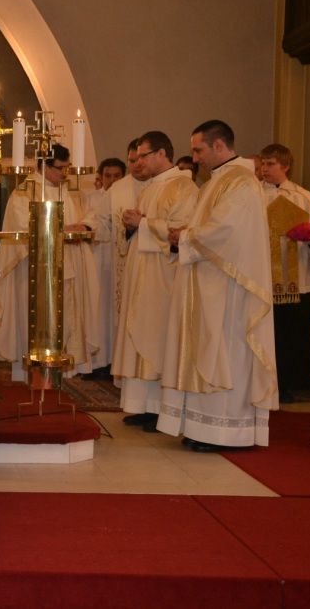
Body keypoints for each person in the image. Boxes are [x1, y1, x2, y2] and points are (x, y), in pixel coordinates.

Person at [157, 120, 277, 451]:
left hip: (229, 288)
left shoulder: (241, 182)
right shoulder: (218, 180)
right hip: (207, 282)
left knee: (225, 353)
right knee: (205, 351)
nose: (195, 158)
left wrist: (186, 237)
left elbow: (226, 232)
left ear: (219, 145)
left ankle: (225, 433)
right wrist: (185, 234)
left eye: (199, 150)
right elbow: (209, 226)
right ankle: (201, 428)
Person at [0, 144, 101, 381]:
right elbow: (23, 228)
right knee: (36, 320)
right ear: (44, 165)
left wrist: (83, 226)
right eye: (60, 168)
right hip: (36, 270)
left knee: (67, 317)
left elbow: (90, 214)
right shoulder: (25, 192)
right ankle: (31, 373)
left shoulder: (70, 190)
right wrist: (61, 229)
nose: (65, 173)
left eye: (67, 167)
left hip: (68, 264)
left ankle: (63, 372)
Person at [112, 131, 198, 432]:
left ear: (161, 154)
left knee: (158, 338)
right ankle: (143, 406)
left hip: (164, 276)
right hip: (141, 272)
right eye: (136, 157)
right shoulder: (150, 187)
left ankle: (161, 409)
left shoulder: (184, 187)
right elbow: (143, 228)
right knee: (139, 332)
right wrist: (131, 226)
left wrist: (143, 223)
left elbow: (182, 231)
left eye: (144, 156)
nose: (139, 163)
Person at [258, 143, 310, 404]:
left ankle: (286, 384)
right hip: (263, 278)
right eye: (263, 164)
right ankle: (264, 383)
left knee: (289, 335)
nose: (264, 169)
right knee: (266, 334)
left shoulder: (303, 197)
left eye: (271, 164)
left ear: (285, 166)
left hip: (295, 279)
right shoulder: (253, 196)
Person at [88, 140, 151, 375]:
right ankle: (117, 364)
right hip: (121, 266)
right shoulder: (118, 189)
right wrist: (87, 228)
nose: (136, 165)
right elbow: (100, 221)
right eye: (132, 160)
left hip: (152, 267)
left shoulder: (161, 185)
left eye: (141, 160)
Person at [84, 157, 126, 376]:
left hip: (119, 261)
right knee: (99, 310)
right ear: (100, 177)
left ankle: (115, 361)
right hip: (97, 260)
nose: (112, 180)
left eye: (117, 176)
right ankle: (97, 361)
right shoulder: (91, 198)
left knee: (116, 311)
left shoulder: (127, 196)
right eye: (108, 176)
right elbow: (90, 223)